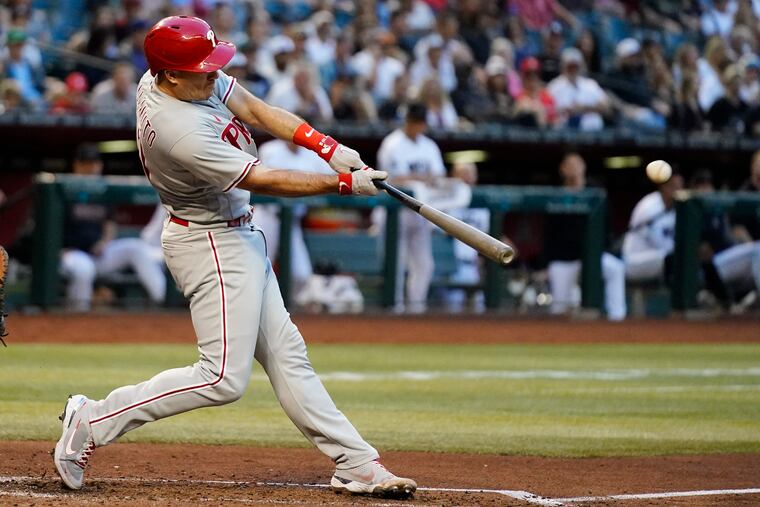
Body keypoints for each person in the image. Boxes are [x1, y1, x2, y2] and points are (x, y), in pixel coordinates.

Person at [53, 16, 416, 499]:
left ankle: (356, 462)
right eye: (201, 69)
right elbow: (261, 178)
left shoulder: (172, 76)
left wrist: (325, 146)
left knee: (288, 357)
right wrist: (343, 184)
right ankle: (93, 419)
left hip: (234, 233)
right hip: (209, 243)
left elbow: (253, 107)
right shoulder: (178, 129)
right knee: (222, 378)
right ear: (171, 75)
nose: (213, 74)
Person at [59, 143, 167, 312]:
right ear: (77, 165)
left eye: (95, 163)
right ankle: (79, 314)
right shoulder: (64, 188)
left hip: (99, 253)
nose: (92, 167)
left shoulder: (103, 189)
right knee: (83, 270)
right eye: (87, 163)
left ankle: (163, 302)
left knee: (136, 249)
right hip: (73, 253)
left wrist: (104, 242)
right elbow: (51, 228)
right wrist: (60, 250)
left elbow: (110, 224)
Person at [376, 102, 446, 313]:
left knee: (424, 265)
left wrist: (415, 177)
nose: (418, 126)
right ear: (407, 121)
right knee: (395, 264)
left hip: (420, 212)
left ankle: (416, 310)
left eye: (421, 123)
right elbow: (392, 179)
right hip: (395, 211)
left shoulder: (429, 146)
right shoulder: (392, 144)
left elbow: (439, 176)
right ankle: (394, 309)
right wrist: (423, 178)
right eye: (415, 122)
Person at [545, 154, 626, 321]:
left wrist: (601, 250)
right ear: (562, 170)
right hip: (565, 258)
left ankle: (617, 317)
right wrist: (544, 264)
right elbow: (549, 234)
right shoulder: (557, 195)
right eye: (569, 165)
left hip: (592, 257)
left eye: (577, 165)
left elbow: (606, 228)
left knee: (616, 268)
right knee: (559, 309)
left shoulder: (596, 193)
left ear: (584, 167)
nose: (573, 169)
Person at [254, 137, 333, 294]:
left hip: (292, 222)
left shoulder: (314, 155)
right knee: (255, 269)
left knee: (301, 275)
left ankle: (287, 307)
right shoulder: (269, 150)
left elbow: (333, 178)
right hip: (266, 217)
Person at [622, 170, 685, 284]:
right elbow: (658, 242)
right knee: (675, 258)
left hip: (657, 257)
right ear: (664, 187)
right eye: (674, 187)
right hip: (636, 260)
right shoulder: (649, 206)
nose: (678, 191)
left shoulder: (675, 208)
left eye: (680, 187)